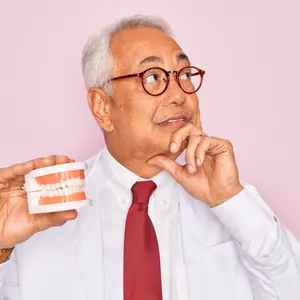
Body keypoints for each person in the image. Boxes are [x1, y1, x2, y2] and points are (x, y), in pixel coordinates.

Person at [0, 15, 299, 300]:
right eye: (153, 77)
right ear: (102, 107)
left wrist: (231, 200)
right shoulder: (38, 206)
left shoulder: (231, 203)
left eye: (184, 75)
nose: (179, 95)